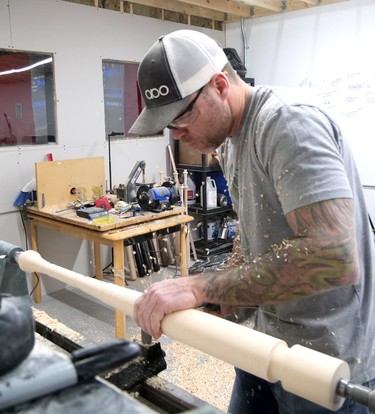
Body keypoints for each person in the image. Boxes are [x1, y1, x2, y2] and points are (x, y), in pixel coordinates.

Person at [129, 30, 375, 413]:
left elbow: (334, 257)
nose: (178, 135)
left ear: (220, 85)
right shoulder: (229, 140)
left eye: (181, 119)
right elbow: (254, 238)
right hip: (266, 343)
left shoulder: (287, 123)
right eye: (168, 127)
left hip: (326, 360)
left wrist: (201, 286)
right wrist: (221, 304)